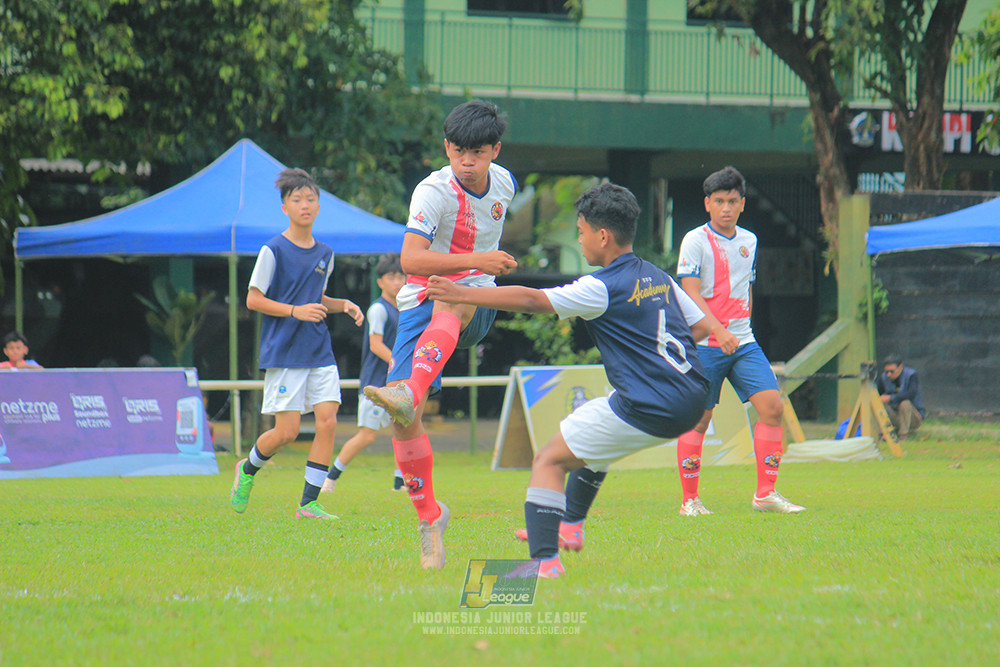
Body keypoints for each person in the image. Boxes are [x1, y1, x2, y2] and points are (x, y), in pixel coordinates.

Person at [426, 182, 711, 579]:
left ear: (603, 236)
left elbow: (532, 301)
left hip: (653, 403)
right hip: (693, 397)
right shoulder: (658, 276)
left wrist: (462, 293)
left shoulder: (602, 287)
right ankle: (569, 527)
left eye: (580, 233)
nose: (579, 241)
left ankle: (545, 563)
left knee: (548, 460)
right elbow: (697, 327)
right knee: (593, 436)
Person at [363, 99, 518, 570]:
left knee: (455, 296)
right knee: (402, 418)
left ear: (494, 149)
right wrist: (478, 261)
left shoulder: (505, 183)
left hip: (473, 300)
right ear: (446, 148)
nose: (466, 163)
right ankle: (430, 518)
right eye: (457, 152)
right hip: (418, 304)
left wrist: (478, 270)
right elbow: (410, 260)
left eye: (476, 153)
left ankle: (410, 389)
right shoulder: (432, 192)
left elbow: (462, 274)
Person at [230, 167, 364, 520]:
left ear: (318, 205)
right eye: (297, 200)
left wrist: (342, 305)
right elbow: (254, 299)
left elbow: (316, 298)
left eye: (311, 199)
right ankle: (247, 470)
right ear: (285, 207)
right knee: (286, 432)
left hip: (319, 350)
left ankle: (308, 504)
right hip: (285, 351)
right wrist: (294, 311)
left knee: (328, 421)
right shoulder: (272, 250)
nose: (305, 205)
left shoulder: (326, 253)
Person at [674, 165, 805, 516]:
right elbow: (690, 295)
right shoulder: (694, 240)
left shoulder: (750, 240)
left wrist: (737, 329)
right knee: (698, 421)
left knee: (773, 408)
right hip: (706, 343)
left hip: (743, 341)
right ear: (707, 204)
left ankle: (765, 494)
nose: (726, 208)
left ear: (743, 204)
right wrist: (718, 330)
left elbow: (744, 289)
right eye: (719, 201)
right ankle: (690, 501)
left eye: (733, 201)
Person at [322, 253, 407, 493]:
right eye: (392, 277)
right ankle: (331, 477)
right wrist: (398, 362)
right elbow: (375, 345)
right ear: (380, 281)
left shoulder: (404, 309)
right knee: (367, 436)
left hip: (396, 382)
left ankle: (400, 482)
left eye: (401, 277)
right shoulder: (378, 309)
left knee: (403, 429)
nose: (398, 282)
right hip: (375, 383)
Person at [876, 353, 926, 439]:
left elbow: (911, 393)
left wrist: (890, 398)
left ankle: (903, 435)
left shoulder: (911, 375)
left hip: (913, 418)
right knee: (878, 403)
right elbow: (877, 394)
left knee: (904, 403)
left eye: (892, 371)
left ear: (900, 367)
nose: (889, 374)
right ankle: (883, 433)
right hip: (895, 416)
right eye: (886, 372)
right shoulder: (884, 378)